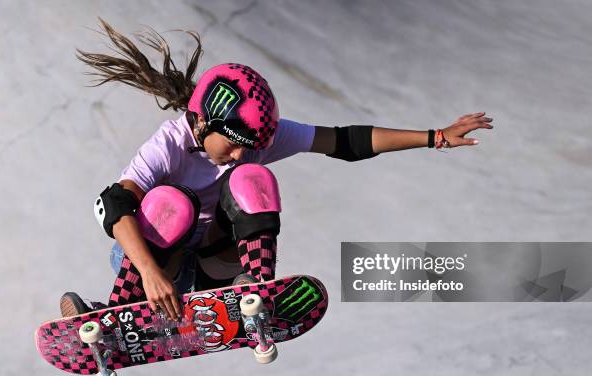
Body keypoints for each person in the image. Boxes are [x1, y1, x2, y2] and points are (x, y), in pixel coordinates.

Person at [60, 18, 493, 321]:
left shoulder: (252, 146)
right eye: (230, 146)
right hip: (154, 264)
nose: (236, 156)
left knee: (252, 179)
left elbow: (345, 141)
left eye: (246, 148)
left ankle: (255, 292)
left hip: (215, 262)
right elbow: (114, 204)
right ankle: (119, 311)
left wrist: (434, 136)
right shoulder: (169, 143)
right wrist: (152, 274)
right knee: (167, 202)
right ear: (203, 122)